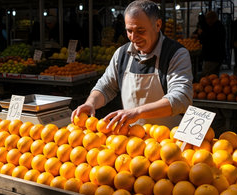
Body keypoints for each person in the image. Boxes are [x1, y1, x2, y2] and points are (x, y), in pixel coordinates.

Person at [71, 0, 193, 130]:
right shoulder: (122, 54)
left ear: (157, 25)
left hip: (168, 143)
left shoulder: (175, 54)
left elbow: (181, 98)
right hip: (131, 144)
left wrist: (137, 112)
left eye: (140, 30)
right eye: (129, 31)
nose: (134, 37)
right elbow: (106, 86)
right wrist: (91, 103)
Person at [198, 11, 226, 77]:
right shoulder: (218, 26)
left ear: (212, 19)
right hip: (217, 56)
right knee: (214, 77)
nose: (207, 21)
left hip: (212, 57)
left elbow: (209, 40)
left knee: (206, 76)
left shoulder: (216, 28)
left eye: (207, 19)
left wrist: (201, 34)